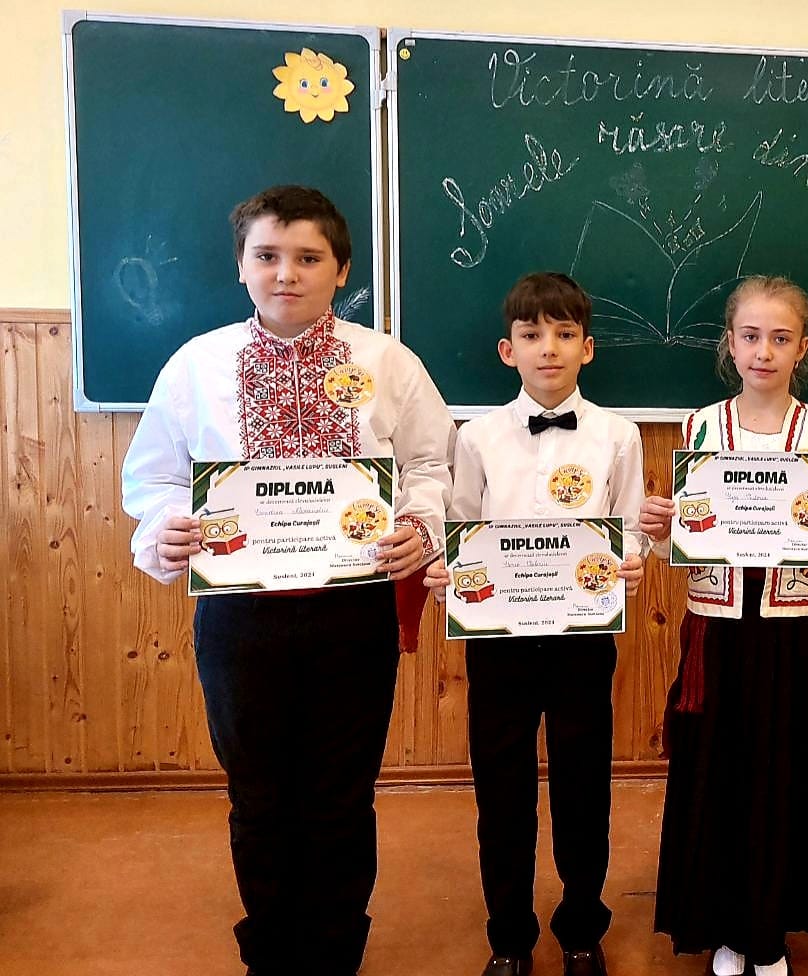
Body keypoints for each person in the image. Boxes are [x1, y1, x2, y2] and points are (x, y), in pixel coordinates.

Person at [121, 185, 453, 976]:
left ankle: (335, 952)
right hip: (240, 617)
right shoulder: (197, 365)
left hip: (353, 613)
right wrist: (165, 528)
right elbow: (155, 478)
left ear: (342, 269)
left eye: (308, 258)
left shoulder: (388, 362)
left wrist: (419, 525)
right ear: (241, 265)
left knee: (342, 792)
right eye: (267, 255)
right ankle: (270, 951)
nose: (286, 274)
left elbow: (431, 462)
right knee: (259, 792)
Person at [641, 275, 808, 976]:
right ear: (730, 343)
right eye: (750, 336)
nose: (764, 351)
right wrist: (660, 530)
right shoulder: (700, 428)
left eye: (780, 338)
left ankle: (769, 930)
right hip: (718, 627)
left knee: (784, 776)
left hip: (792, 629)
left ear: (802, 348)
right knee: (720, 777)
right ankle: (726, 927)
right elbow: (682, 543)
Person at [424, 271, 646, 976]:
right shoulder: (476, 437)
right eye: (531, 334)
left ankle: (581, 928)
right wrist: (447, 573)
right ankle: (509, 937)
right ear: (507, 349)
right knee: (502, 790)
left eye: (564, 334)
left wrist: (632, 562)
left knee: (584, 784)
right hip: (499, 641)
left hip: (583, 637)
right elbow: (460, 527)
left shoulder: (619, 436)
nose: (547, 348)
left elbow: (632, 525)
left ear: (587, 347)